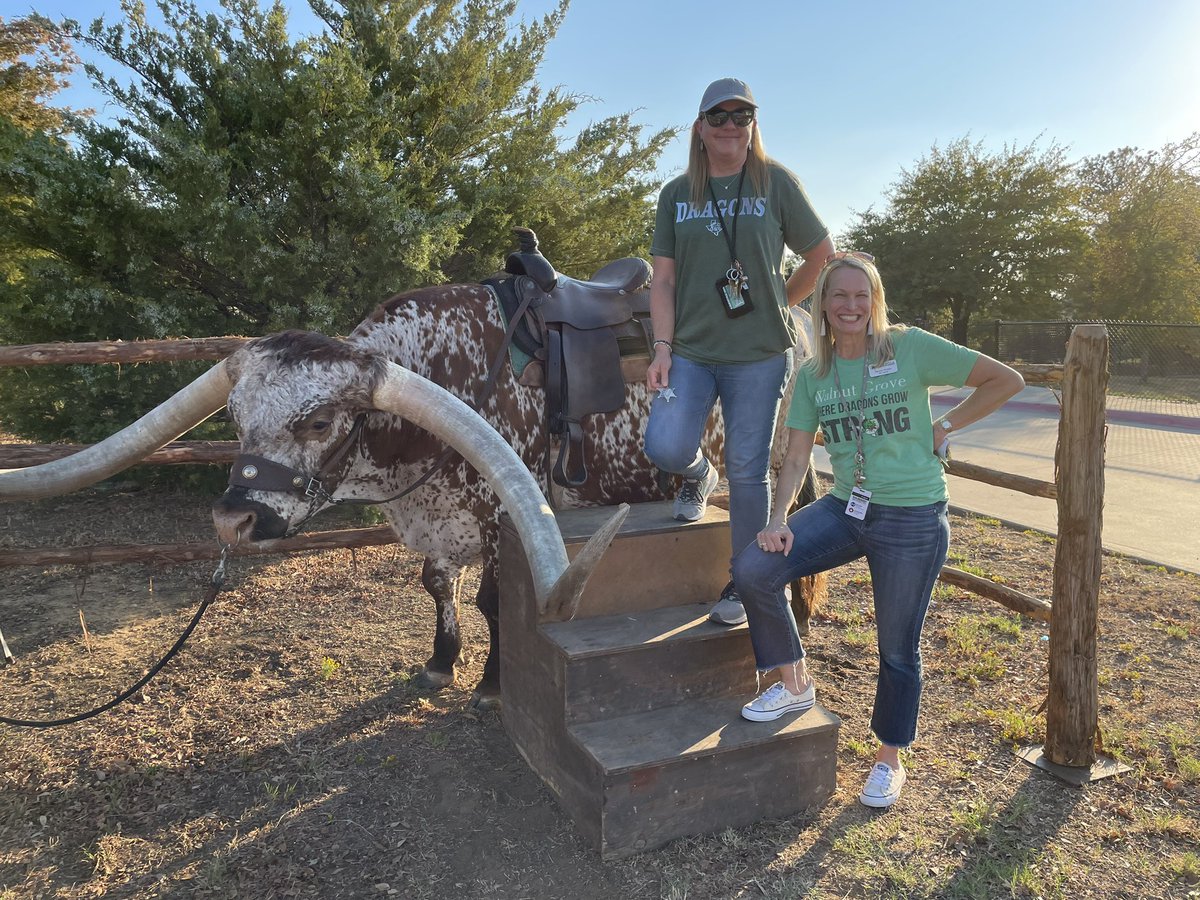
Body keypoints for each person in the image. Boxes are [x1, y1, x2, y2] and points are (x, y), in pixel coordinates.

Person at [731, 253, 1024, 808]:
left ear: (875, 301)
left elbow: (1004, 379)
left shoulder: (908, 348)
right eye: (838, 296)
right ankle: (793, 684)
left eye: (860, 296)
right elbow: (795, 458)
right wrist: (777, 520)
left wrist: (945, 423)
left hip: (912, 517)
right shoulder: (814, 373)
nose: (850, 306)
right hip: (847, 507)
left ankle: (890, 758)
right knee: (754, 567)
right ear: (821, 305)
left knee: (896, 647)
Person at [643, 77, 834, 627]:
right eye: (718, 116)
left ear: (754, 125)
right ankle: (698, 474)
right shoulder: (677, 194)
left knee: (749, 471)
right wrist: (661, 348)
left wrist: (780, 303)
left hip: (760, 355)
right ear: (700, 128)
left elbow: (821, 255)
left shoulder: (775, 183)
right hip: (692, 352)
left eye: (741, 115)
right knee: (664, 443)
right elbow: (663, 282)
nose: (730, 125)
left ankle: (744, 581)